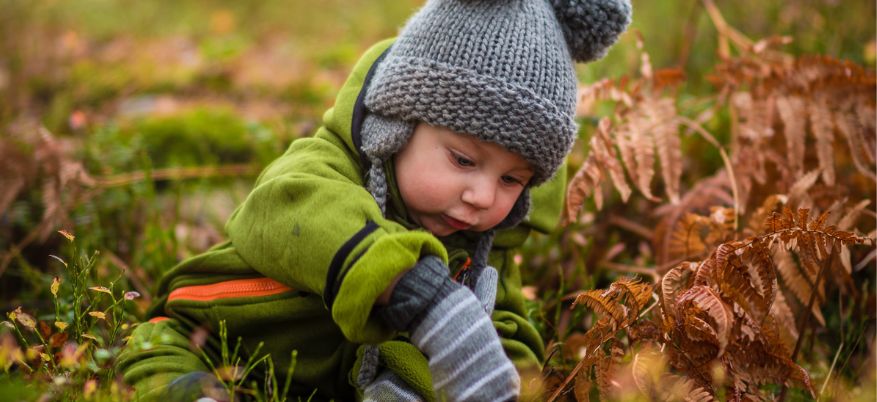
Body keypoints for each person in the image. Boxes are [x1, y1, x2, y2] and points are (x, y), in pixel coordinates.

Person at [117, 0, 631, 400]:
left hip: (327, 379)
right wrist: (412, 288)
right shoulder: (327, 166)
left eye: (512, 180)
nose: (481, 196)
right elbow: (279, 209)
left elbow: (506, 332)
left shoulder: (481, 248)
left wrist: (468, 377)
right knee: (164, 357)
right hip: (215, 330)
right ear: (396, 127)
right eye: (463, 161)